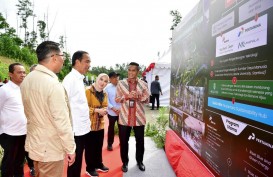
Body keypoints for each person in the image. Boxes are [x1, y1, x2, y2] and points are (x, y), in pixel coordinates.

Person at [20, 41, 76, 177]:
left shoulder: (27, 79)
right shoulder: (52, 84)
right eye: (63, 56)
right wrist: (70, 148)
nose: (63, 60)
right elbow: (61, 121)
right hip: (51, 148)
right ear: (54, 57)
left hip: (36, 143)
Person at [115, 62, 150, 172]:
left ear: (137, 71)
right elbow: (117, 99)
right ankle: (125, 162)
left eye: (133, 70)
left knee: (140, 142)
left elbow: (147, 100)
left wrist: (138, 96)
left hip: (138, 118)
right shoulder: (121, 83)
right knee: (124, 141)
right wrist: (127, 96)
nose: (130, 72)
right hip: (124, 118)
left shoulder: (143, 84)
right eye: (129, 70)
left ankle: (140, 161)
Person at [62, 51, 92, 177]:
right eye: (87, 61)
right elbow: (62, 105)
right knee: (74, 162)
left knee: (78, 160)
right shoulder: (69, 80)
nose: (89, 65)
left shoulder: (79, 79)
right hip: (75, 130)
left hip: (82, 128)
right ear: (77, 62)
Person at [0, 63, 27, 177]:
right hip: (9, 133)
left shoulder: (24, 89)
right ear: (10, 74)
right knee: (9, 162)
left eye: (24, 72)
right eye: (19, 72)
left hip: (24, 132)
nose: (23, 75)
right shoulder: (4, 90)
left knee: (20, 161)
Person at [85, 73, 109, 177]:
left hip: (101, 125)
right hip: (89, 125)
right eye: (101, 79)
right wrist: (96, 110)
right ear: (96, 79)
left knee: (98, 146)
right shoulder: (88, 91)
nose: (102, 83)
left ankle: (98, 164)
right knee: (90, 148)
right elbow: (83, 108)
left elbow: (105, 105)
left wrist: (104, 110)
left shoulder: (104, 93)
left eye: (105, 81)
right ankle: (89, 168)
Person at [105, 71, 121, 151]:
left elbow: (125, 97)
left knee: (122, 128)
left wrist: (121, 109)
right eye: (114, 77)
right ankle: (110, 144)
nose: (116, 79)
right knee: (111, 128)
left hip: (121, 112)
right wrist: (113, 108)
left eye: (117, 77)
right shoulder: (107, 88)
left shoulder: (122, 86)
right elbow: (106, 100)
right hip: (111, 112)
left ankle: (122, 142)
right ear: (110, 79)